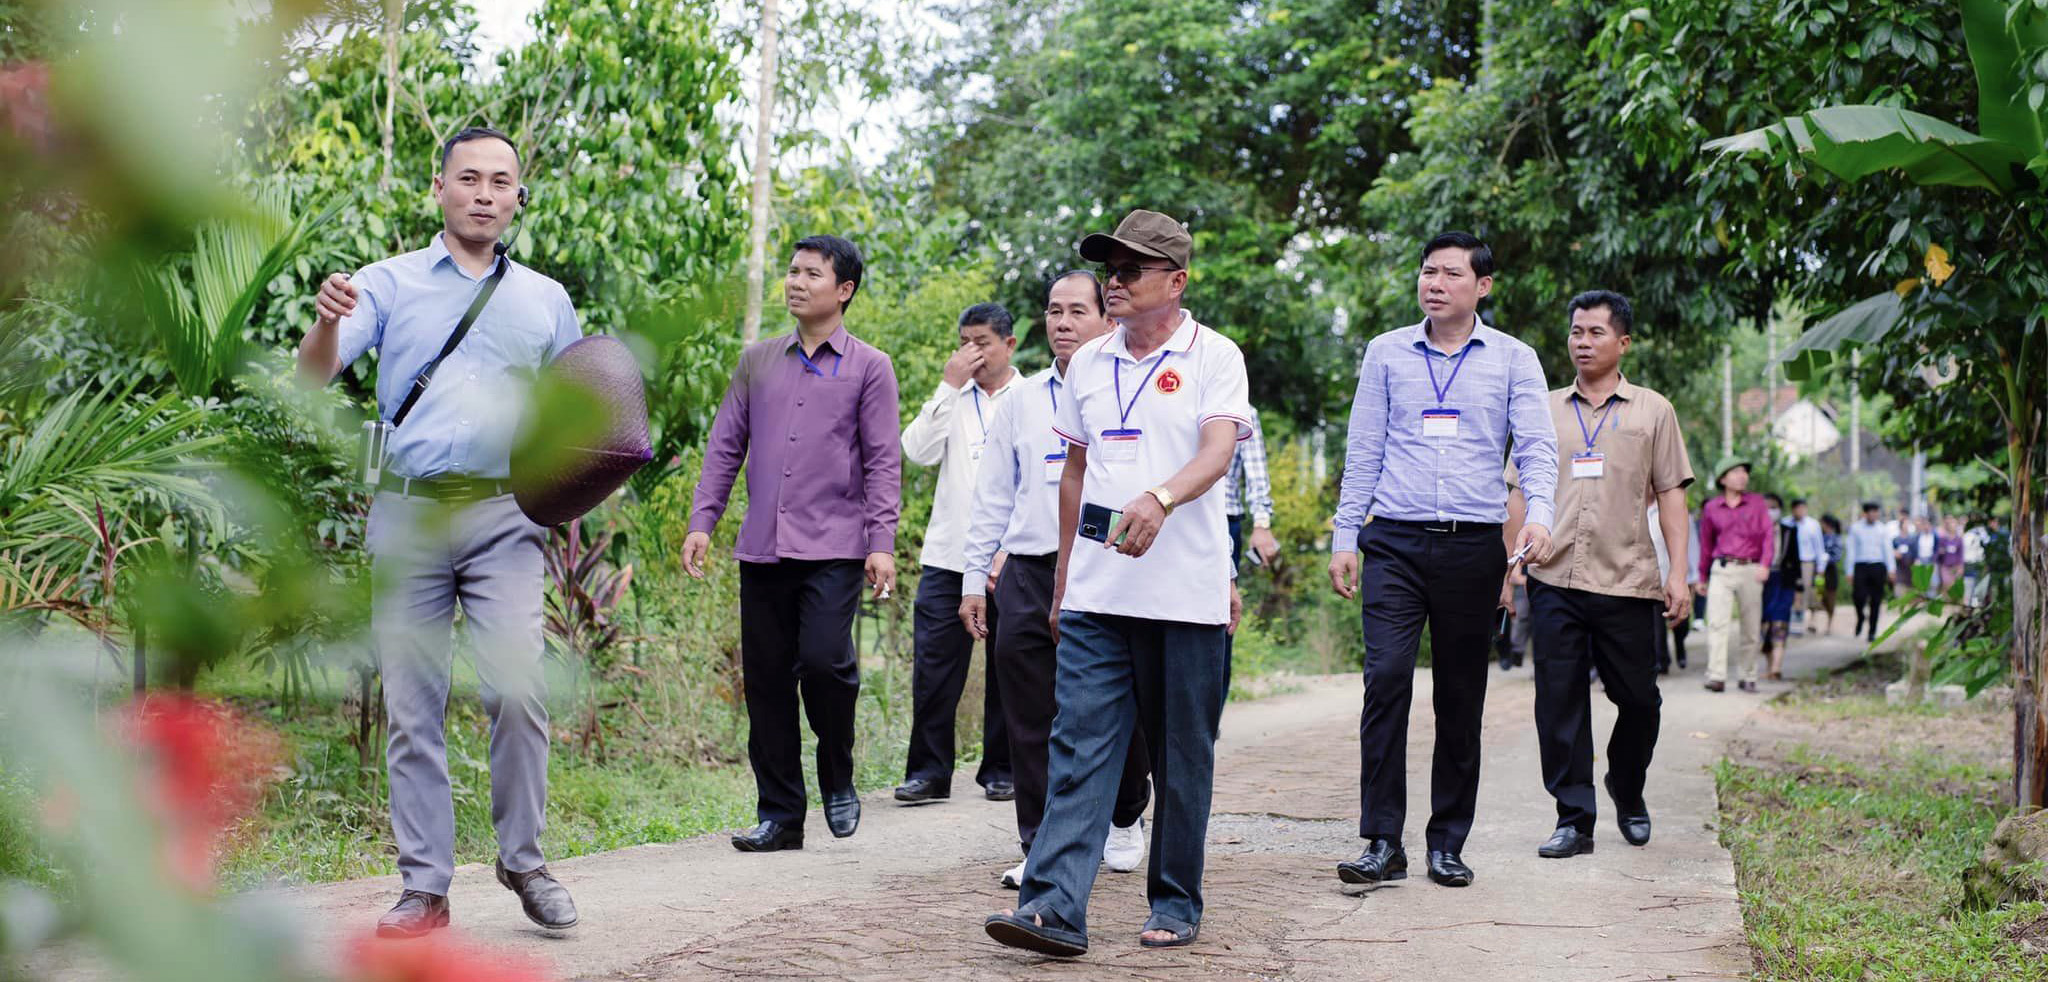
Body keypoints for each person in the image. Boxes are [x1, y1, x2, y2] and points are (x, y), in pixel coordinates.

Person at [298, 127, 581, 936]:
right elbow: (312, 373)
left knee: (519, 690)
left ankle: (524, 859)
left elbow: (580, 411)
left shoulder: (545, 300)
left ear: (518, 198)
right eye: (469, 178)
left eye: (501, 181)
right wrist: (325, 321)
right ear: (440, 188)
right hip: (411, 512)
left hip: (504, 514)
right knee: (414, 705)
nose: (485, 193)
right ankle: (425, 886)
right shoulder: (384, 285)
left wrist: (571, 487)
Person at [983, 209, 1252, 956]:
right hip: (1100, 598)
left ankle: (1173, 900)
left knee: (1180, 759)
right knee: (1079, 749)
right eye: (1110, 268)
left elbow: (1218, 451)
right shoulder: (1091, 364)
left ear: (1177, 280)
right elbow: (1073, 470)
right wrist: (1066, 576)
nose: (1116, 282)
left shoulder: (1214, 357)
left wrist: (1159, 498)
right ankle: (1052, 907)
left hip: (1186, 599)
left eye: (1131, 270)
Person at [1328, 231, 1559, 890]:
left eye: (1451, 274)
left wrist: (1539, 515)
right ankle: (1380, 840)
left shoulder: (1515, 359)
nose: (1434, 283)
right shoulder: (1387, 352)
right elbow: (1364, 446)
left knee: (1460, 696)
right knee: (1388, 680)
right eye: (1428, 271)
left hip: (1472, 545)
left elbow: (1538, 448)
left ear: (1482, 286)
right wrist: (1347, 535)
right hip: (1394, 542)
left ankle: (1447, 842)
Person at [682, 234, 902, 853]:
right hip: (764, 548)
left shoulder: (869, 366)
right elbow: (726, 445)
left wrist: (880, 541)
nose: (796, 282)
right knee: (768, 681)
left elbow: (884, 462)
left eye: (812, 273)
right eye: (792, 271)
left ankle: (839, 770)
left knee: (828, 662)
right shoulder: (757, 361)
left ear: (844, 290)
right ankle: (780, 815)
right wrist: (704, 521)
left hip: (835, 545)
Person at [958, 270, 1154, 890]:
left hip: (1108, 568)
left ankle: (1125, 814)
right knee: (1030, 716)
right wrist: (972, 578)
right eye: (1053, 311)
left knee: (1114, 708)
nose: (1062, 322)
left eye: (1076, 311)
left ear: (1107, 318)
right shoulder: (1022, 397)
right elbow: (991, 494)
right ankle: (1041, 845)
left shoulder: (1130, 389)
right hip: (1029, 570)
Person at [1514, 290, 1692, 859]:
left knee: (1638, 699)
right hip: (1553, 575)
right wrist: (1510, 565)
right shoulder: (1540, 407)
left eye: (1594, 332)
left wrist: (1679, 573)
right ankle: (1575, 818)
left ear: (1623, 342)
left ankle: (1627, 784)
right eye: (1575, 332)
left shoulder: (1653, 410)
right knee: (1559, 701)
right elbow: (1517, 490)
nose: (1582, 342)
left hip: (1628, 576)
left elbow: (1671, 494)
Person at [895, 303, 1022, 805]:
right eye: (965, 342)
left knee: (1010, 667)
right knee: (933, 668)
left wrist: (1012, 547)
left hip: (1013, 558)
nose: (972, 353)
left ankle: (1003, 769)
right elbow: (917, 451)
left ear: (1009, 344)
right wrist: (947, 387)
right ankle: (928, 773)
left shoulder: (1030, 396)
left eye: (983, 342)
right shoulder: (953, 397)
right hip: (949, 556)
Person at [1696, 456, 1772, 693]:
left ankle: (1748, 675)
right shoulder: (1711, 508)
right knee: (1717, 623)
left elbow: (1768, 534)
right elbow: (1706, 544)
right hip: (1722, 569)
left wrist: (1765, 564)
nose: (1742, 476)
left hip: (1751, 569)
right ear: (1723, 479)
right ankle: (1716, 675)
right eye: (1736, 472)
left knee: (1750, 626)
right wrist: (1702, 576)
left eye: (1744, 472)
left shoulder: (1757, 503)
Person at [1649, 499, 1700, 671]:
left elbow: (1691, 547)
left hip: (1674, 575)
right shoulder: (1634, 507)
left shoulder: (1675, 508)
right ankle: (1661, 660)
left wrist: (1692, 577)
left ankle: (1680, 647)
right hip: (1650, 579)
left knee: (1680, 621)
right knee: (1656, 622)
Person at [1760, 493, 1799, 679]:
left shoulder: (1790, 531)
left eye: (1773, 507)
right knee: (1764, 626)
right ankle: (1769, 667)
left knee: (1780, 624)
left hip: (1783, 583)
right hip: (1762, 583)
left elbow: (1795, 560)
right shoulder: (1755, 530)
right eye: (1766, 507)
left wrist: (1798, 588)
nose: (1770, 511)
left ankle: (1776, 667)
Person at [1846, 501, 1893, 643]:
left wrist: (1891, 569)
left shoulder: (1882, 529)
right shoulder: (1856, 528)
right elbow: (1851, 550)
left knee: (1876, 600)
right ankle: (1860, 617)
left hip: (1878, 566)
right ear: (1865, 513)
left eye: (1876, 511)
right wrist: (1849, 571)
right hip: (1861, 566)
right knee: (1858, 597)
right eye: (1871, 511)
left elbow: (1888, 550)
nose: (1874, 514)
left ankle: (1872, 631)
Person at [1792, 499, 1825, 635]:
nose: (1800, 511)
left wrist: (1820, 566)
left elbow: (1819, 546)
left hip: (1807, 563)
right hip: (1791, 563)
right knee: (1792, 593)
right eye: (1797, 508)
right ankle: (1794, 622)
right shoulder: (1786, 523)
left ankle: (1801, 622)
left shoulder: (1813, 525)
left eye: (1802, 508)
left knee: (1805, 592)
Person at [1818, 514, 1844, 634]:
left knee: (1830, 597)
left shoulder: (1836, 538)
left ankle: (1829, 624)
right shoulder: (1820, 537)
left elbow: (1837, 556)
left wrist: (1826, 559)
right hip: (1818, 570)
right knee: (1818, 596)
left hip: (1830, 571)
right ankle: (1813, 621)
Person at [1964, 516, 1991, 607]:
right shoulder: (1969, 534)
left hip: (1979, 562)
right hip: (1970, 563)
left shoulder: (1981, 533)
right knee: (1970, 584)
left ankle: (1976, 602)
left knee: (1979, 584)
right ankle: (1972, 602)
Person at [1936, 515, 1965, 595]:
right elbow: (1938, 552)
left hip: (1955, 566)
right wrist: (1941, 551)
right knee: (1947, 585)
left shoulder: (1959, 539)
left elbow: (1961, 554)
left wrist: (1961, 566)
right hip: (1945, 566)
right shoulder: (1943, 539)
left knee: (1955, 586)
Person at [1892, 515, 1918, 597]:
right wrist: (1894, 553)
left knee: (1911, 590)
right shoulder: (1896, 539)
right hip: (1899, 567)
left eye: (1908, 524)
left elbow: (1916, 552)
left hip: (1910, 567)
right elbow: (1891, 551)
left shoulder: (1913, 539)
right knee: (1899, 589)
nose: (1907, 526)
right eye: (1905, 524)